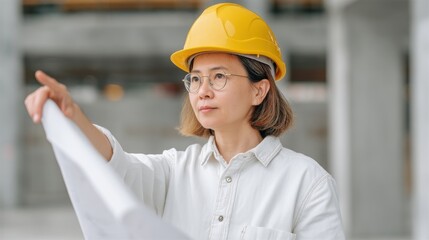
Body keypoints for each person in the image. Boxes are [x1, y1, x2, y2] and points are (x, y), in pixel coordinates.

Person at [25, 3, 345, 240]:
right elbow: (117, 167)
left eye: (218, 76)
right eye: (195, 79)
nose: (202, 91)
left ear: (259, 89)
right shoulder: (173, 173)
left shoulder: (307, 183)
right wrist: (74, 116)